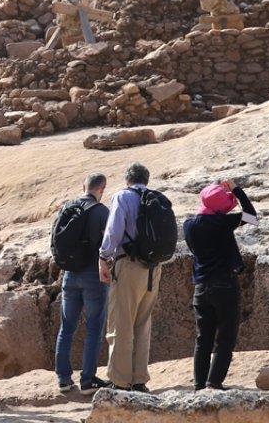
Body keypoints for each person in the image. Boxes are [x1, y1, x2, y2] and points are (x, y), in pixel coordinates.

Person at [183, 181, 259, 391]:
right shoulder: (224, 223)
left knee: (203, 338)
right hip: (225, 284)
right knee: (225, 336)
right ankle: (214, 382)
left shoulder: (189, 225)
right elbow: (252, 216)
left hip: (201, 286)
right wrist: (237, 190)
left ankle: (199, 385)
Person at [98, 162, 160, 392]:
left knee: (121, 323)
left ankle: (120, 382)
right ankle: (139, 380)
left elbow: (114, 231)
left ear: (128, 179)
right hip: (154, 267)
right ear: (147, 179)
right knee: (142, 324)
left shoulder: (123, 197)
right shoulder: (157, 197)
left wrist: (103, 257)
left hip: (129, 265)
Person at [54, 173, 112, 395]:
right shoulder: (100, 211)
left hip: (69, 274)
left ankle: (63, 379)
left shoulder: (68, 207)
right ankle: (87, 380)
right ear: (102, 189)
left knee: (66, 328)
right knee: (94, 328)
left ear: (84, 186)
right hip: (93, 275)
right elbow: (110, 241)